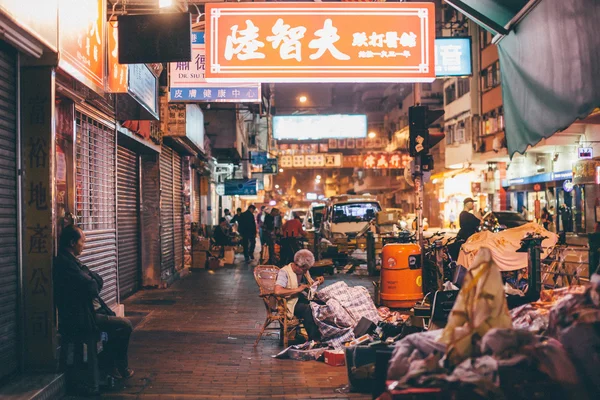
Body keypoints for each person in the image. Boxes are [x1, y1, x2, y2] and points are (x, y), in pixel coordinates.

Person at [54, 225, 134, 385]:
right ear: (72, 242)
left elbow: (96, 280)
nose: (84, 245)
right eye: (82, 242)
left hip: (87, 313)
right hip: (82, 317)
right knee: (125, 325)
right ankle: (109, 364)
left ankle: (113, 366)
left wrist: (91, 279)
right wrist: (91, 279)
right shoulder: (65, 263)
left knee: (118, 326)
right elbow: (91, 285)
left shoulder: (72, 262)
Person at [274, 249, 324, 342]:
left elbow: (310, 286)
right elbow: (277, 291)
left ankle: (325, 334)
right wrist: (298, 289)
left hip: (303, 299)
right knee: (308, 308)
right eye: (304, 269)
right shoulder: (284, 272)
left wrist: (317, 282)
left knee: (324, 304)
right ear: (297, 264)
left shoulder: (304, 272)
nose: (305, 271)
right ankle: (315, 340)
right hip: (291, 303)